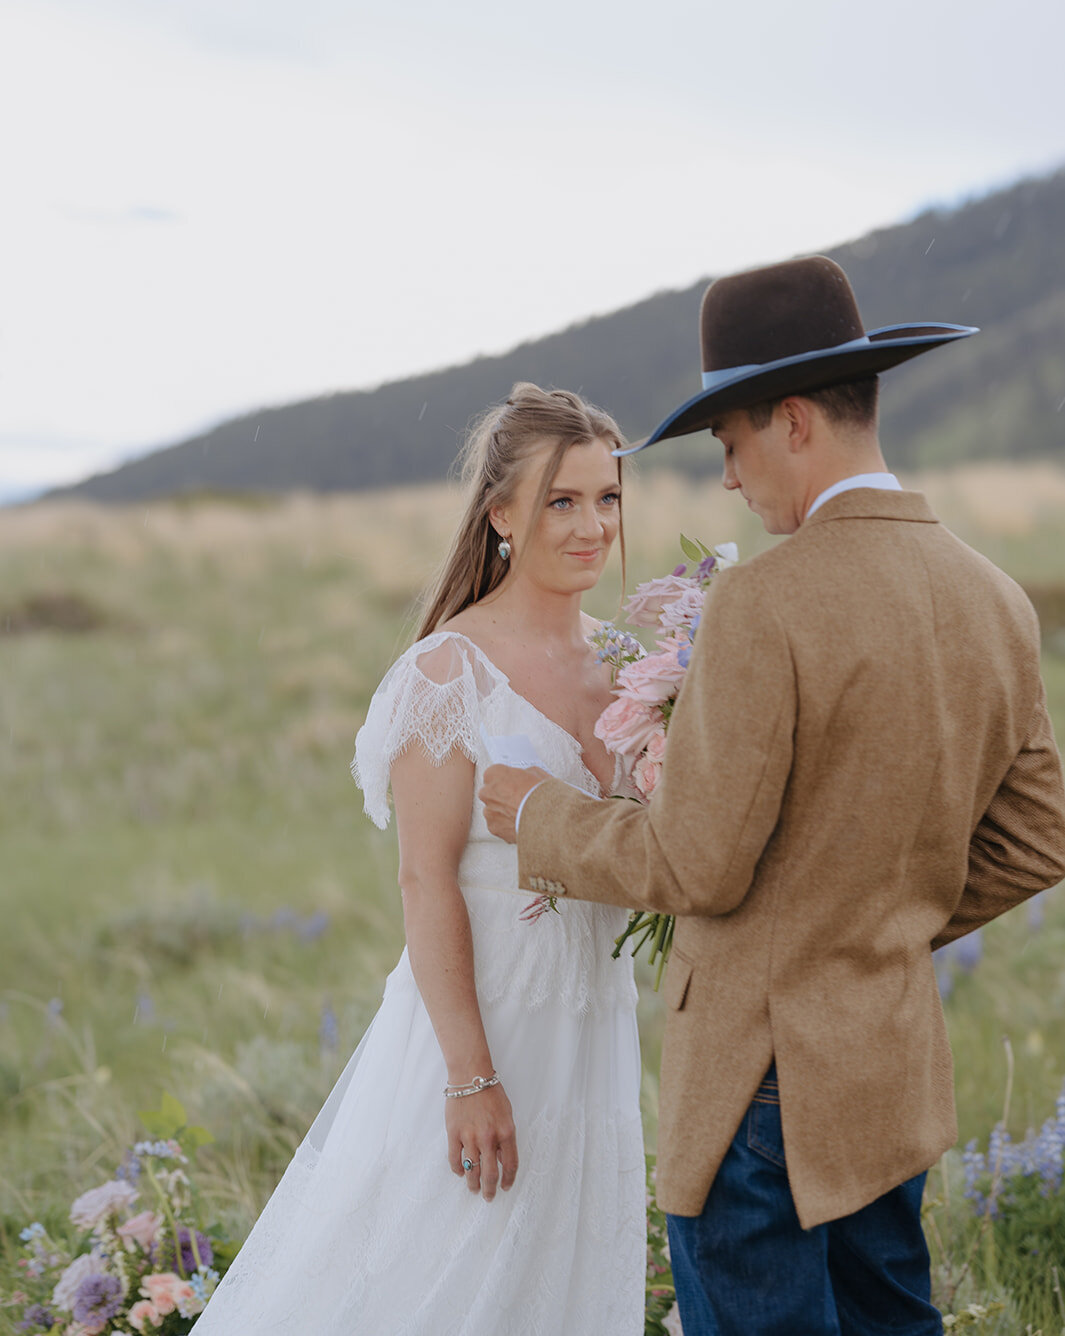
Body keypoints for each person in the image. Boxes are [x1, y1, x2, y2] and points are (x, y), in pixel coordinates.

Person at [480, 257, 1065, 1336]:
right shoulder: (997, 599)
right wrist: (872, 922)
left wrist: (534, 816)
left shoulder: (764, 603)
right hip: (886, 1069)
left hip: (759, 1092)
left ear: (794, 420)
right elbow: (1039, 838)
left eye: (731, 445)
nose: (731, 483)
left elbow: (696, 862)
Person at [192, 383, 646, 1336]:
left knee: (553, 1281)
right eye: (561, 501)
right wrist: (470, 1077)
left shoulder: (634, 665)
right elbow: (424, 878)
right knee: (440, 1281)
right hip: (481, 1026)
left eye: (606, 498)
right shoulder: (451, 671)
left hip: (592, 1024)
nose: (591, 525)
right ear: (501, 516)